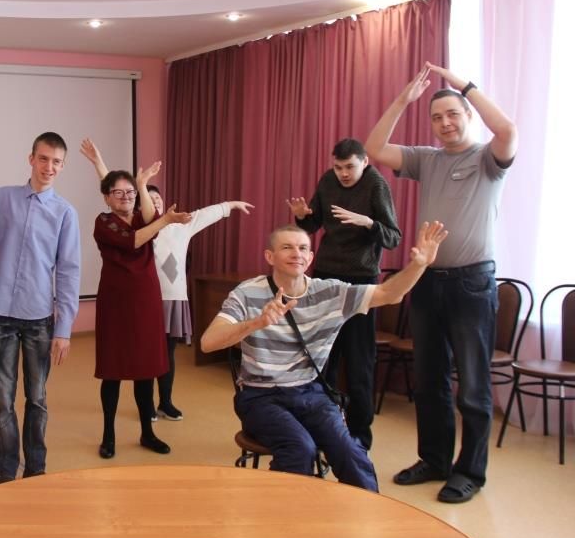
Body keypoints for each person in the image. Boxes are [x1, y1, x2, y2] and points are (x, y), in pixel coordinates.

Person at [365, 63, 517, 503]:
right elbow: (375, 148)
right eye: (436, 117)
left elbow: (507, 129)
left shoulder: (487, 159)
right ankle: (434, 460)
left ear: (468, 115)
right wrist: (403, 100)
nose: (445, 123)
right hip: (428, 280)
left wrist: (464, 85)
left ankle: (470, 472)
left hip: (472, 284)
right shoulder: (427, 159)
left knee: (472, 386)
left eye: (452, 114)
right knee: (428, 380)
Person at [201, 222, 446, 491]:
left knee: (349, 450)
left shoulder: (331, 292)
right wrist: (256, 323)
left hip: (310, 391)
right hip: (260, 395)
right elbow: (208, 343)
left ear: (310, 258)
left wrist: (419, 265)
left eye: (302, 248)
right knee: (299, 448)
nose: (296, 253)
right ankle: (287, 515)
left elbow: (389, 294)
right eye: (287, 247)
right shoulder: (247, 292)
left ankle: (366, 512)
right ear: (270, 256)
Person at [80, 138, 253, 421]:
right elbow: (116, 190)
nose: (155, 201)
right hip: (145, 298)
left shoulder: (179, 225)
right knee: (145, 356)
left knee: (165, 354)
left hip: (174, 297)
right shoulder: (140, 225)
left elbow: (206, 214)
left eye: (157, 198)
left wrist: (230, 205)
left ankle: (166, 401)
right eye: (148, 198)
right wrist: (101, 164)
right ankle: (146, 408)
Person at [286, 137, 401, 450]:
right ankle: (323, 425)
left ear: (364, 162)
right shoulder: (328, 180)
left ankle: (360, 436)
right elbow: (313, 225)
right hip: (325, 277)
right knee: (322, 356)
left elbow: (393, 237)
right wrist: (302, 216)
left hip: (360, 280)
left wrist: (368, 223)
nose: (344, 174)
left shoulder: (376, 185)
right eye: (338, 167)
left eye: (349, 167)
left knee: (359, 360)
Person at [0, 132, 80, 483]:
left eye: (56, 162)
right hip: (1, 315)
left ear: (62, 166)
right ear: (31, 159)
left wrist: (64, 329)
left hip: (40, 318)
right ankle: (6, 473)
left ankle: (36, 470)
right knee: (3, 402)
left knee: (37, 399)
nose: (48, 167)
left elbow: (68, 272)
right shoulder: (2, 198)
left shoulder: (65, 212)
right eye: (43, 159)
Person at [93, 164, 192, 458]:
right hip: (115, 303)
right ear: (107, 197)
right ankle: (108, 435)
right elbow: (134, 240)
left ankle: (147, 433)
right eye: (118, 192)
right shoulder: (104, 222)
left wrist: (143, 182)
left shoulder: (140, 218)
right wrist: (165, 221)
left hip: (146, 300)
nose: (125, 197)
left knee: (145, 370)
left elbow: (150, 218)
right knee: (112, 372)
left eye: (130, 192)